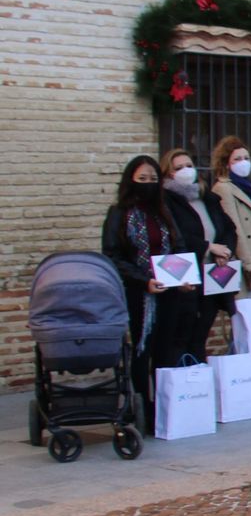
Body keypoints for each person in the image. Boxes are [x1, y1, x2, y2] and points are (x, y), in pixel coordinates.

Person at [102, 155, 198, 433]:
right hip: (139, 293)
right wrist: (144, 281)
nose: (147, 184)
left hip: (169, 292)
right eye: (142, 179)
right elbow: (113, 254)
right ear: (131, 180)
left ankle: (165, 410)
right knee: (142, 351)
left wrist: (183, 278)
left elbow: (177, 245)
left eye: (153, 179)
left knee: (165, 351)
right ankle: (140, 407)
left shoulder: (163, 210)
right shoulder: (120, 213)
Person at [159, 148, 238, 361]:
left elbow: (228, 228)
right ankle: (183, 380)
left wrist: (226, 251)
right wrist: (207, 247)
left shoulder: (208, 197)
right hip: (185, 277)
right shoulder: (166, 201)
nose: (185, 170)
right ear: (168, 173)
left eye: (189, 166)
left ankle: (199, 381)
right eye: (178, 168)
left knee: (202, 332)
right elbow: (175, 235)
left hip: (213, 275)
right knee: (183, 334)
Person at [209, 136, 251, 299]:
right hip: (245, 265)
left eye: (246, 158)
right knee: (244, 317)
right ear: (226, 163)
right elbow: (235, 228)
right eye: (237, 159)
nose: (244, 162)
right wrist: (250, 265)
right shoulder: (223, 188)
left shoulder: (248, 188)